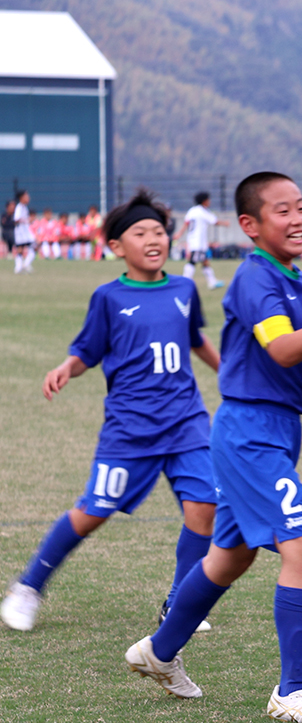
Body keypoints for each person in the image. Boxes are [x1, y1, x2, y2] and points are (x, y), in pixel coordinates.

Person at [124, 172, 302, 723]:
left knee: (232, 556)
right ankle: (293, 692)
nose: (298, 218)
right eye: (282, 210)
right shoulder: (254, 278)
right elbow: (285, 348)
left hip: (277, 432)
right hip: (249, 434)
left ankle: (158, 651)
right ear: (250, 225)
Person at [1, 189, 221, 634]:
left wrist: (230, 373)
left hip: (187, 423)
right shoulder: (108, 296)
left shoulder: (183, 288)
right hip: (131, 430)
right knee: (93, 511)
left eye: (159, 230)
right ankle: (28, 586)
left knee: (204, 508)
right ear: (117, 246)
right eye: (140, 233)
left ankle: (179, 603)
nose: (153, 239)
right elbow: (88, 349)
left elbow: (195, 339)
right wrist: (67, 366)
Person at [178, 192, 228, 290]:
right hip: (198, 242)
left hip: (193, 240)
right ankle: (185, 282)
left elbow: (186, 223)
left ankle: (212, 282)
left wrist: (180, 233)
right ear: (204, 201)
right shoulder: (202, 211)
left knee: (205, 261)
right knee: (192, 261)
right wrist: (225, 223)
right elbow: (214, 221)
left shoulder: (191, 211)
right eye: (208, 200)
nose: (209, 202)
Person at [12, 190, 35, 274]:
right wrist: (27, 220)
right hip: (21, 232)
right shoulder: (19, 207)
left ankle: (24, 264)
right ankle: (19, 266)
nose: (28, 197)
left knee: (33, 246)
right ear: (21, 197)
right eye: (26, 196)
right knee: (21, 249)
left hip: (25, 232)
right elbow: (16, 219)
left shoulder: (25, 207)